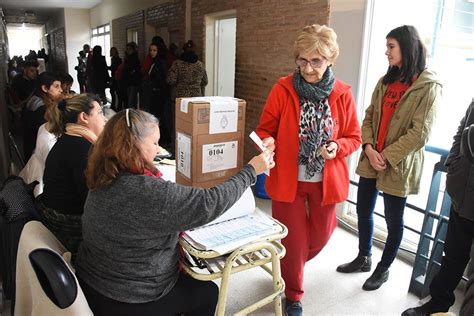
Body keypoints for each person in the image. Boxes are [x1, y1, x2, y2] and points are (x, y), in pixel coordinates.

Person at [74, 109, 274, 316]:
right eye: (154, 143)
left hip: (93, 282)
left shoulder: (103, 174)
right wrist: (251, 171)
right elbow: (209, 202)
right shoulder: (149, 191)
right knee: (207, 292)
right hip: (130, 297)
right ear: (132, 143)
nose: (158, 150)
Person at [255, 24, 362, 316]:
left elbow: (354, 137)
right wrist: (266, 140)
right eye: (302, 60)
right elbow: (266, 128)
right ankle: (294, 295)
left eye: (316, 61)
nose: (308, 68)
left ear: (330, 60)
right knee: (293, 239)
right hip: (289, 179)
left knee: (320, 237)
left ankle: (291, 267)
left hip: (324, 181)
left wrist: (336, 148)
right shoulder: (283, 89)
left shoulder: (342, 94)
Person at [336, 25, 442, 292]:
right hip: (372, 157)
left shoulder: (428, 86)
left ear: (407, 47)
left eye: (391, 47)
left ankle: (383, 269)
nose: (386, 52)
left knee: (394, 219)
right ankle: (364, 257)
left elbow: (420, 133)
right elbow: (369, 116)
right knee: (363, 209)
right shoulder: (386, 81)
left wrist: (385, 156)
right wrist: (369, 148)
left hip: (397, 164)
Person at [402, 99, 474, 316]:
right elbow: (462, 130)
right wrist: (454, 163)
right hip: (462, 193)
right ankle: (437, 304)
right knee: (452, 255)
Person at [38, 94, 106, 258]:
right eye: (100, 112)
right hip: (67, 226)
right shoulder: (81, 148)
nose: (104, 119)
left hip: (55, 217)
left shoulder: (71, 140)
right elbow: (94, 200)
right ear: (83, 117)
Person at [22, 72, 62, 161]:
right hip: (38, 154)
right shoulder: (41, 108)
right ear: (44, 88)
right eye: (56, 86)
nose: (61, 90)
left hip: (32, 150)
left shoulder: (34, 99)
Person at [119, 42, 141, 108]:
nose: (128, 50)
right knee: (130, 101)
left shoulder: (134, 58)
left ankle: (133, 117)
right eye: (127, 49)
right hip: (128, 82)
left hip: (133, 82)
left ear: (133, 49)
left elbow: (133, 70)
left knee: (131, 102)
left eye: (130, 49)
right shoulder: (128, 58)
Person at [108, 47, 122, 111]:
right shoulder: (113, 59)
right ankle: (114, 105)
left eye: (113, 51)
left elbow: (116, 68)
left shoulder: (118, 59)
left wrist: (108, 68)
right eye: (111, 51)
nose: (112, 52)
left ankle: (117, 106)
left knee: (117, 92)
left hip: (116, 78)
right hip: (114, 77)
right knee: (113, 91)